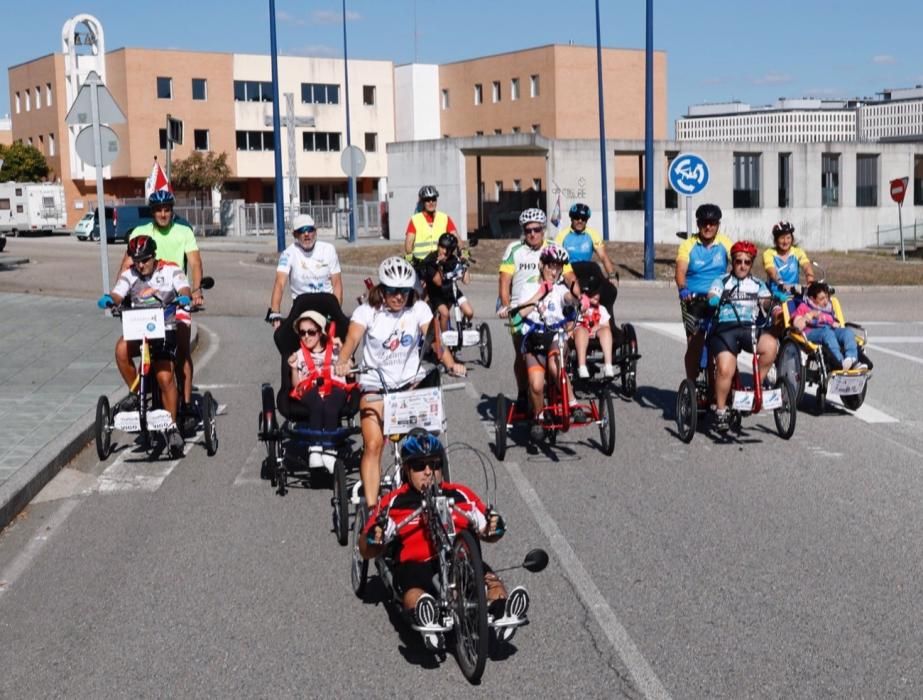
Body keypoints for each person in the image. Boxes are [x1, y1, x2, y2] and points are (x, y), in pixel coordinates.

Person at [360, 430, 530, 650]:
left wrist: (494, 528)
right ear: (407, 470)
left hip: (461, 562)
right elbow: (365, 547)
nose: (429, 472)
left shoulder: (460, 493)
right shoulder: (395, 502)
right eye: (420, 466)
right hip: (415, 566)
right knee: (415, 591)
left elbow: (486, 529)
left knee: (492, 582)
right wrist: (374, 539)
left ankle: (503, 610)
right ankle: (426, 614)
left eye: (435, 464)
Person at [335, 256, 465, 507]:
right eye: (393, 291)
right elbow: (351, 340)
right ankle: (373, 510)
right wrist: (343, 360)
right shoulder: (367, 312)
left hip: (410, 386)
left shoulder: (419, 309)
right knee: (373, 445)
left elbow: (436, 341)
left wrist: (450, 363)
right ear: (382, 290)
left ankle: (430, 497)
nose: (399, 297)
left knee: (426, 444)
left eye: (405, 291)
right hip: (376, 387)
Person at [119, 188, 204, 435]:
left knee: (181, 350)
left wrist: (195, 291)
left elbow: (196, 263)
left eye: (167, 209)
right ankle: (138, 395)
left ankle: (186, 405)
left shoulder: (183, 231)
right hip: (145, 307)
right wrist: (120, 296)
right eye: (158, 210)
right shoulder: (140, 232)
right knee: (125, 349)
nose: (163, 214)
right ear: (152, 211)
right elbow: (125, 266)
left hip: (175, 301)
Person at [99, 235, 190, 457]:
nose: (140, 265)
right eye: (137, 260)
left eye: (145, 260)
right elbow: (118, 292)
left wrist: (185, 298)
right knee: (121, 350)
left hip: (163, 328)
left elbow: (184, 287)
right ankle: (138, 390)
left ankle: (172, 427)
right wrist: (111, 300)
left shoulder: (170, 269)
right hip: (137, 328)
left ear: (154, 256)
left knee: (165, 378)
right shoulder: (130, 274)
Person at [501, 244, 586, 442]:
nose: (554, 272)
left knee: (556, 367)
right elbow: (521, 312)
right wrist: (541, 292)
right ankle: (538, 417)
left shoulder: (559, 289)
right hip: (533, 338)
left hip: (555, 338)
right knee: (536, 386)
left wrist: (577, 297)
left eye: (558, 268)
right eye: (550, 267)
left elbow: (569, 298)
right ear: (541, 265)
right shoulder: (529, 288)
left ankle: (573, 404)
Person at [497, 208, 579, 409]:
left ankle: (559, 391)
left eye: (536, 229)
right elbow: (504, 281)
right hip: (522, 306)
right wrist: (507, 306)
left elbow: (569, 276)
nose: (532, 234)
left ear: (543, 230)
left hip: (551, 306)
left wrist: (578, 295)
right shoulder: (514, 250)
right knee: (521, 354)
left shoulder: (553, 249)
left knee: (559, 353)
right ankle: (524, 392)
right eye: (528, 230)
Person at [707, 240, 776, 432]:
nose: (742, 266)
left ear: (751, 263)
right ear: (732, 262)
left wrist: (772, 305)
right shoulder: (721, 281)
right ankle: (721, 409)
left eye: (747, 262)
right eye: (738, 261)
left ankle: (755, 390)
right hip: (724, 329)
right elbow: (712, 295)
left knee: (771, 346)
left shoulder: (757, 284)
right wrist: (714, 299)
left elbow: (766, 301)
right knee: (725, 369)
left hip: (749, 328)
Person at [675, 203, 733, 381]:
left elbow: (739, 261)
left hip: (719, 296)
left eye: (712, 223)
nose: (708, 227)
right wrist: (683, 289)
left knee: (724, 339)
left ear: (718, 225)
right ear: (698, 224)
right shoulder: (688, 245)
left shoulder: (725, 242)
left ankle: (718, 383)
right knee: (695, 343)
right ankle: (691, 384)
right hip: (694, 298)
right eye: (704, 223)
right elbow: (680, 271)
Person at [287, 310, 352, 468]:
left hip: (335, 387)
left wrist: (343, 348)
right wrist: (294, 368)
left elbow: (350, 370)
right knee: (316, 401)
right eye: (302, 333)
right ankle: (315, 448)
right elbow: (297, 386)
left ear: (321, 332)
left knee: (331, 405)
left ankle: (329, 449)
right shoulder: (299, 355)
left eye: (311, 332)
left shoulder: (337, 350)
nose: (306, 337)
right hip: (310, 388)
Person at [267, 213, 343, 329]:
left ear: (315, 231)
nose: (307, 234)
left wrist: (335, 312)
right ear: (295, 234)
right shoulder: (288, 254)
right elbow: (280, 283)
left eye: (310, 230)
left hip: (326, 306)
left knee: (346, 335)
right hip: (301, 308)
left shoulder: (328, 250)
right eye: (302, 231)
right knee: (281, 339)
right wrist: (275, 312)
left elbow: (337, 283)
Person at [554, 202, 618, 327]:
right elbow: (556, 259)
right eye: (576, 217)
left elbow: (603, 256)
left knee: (608, 290)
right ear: (571, 218)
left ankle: (609, 325)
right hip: (569, 271)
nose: (580, 221)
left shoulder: (592, 234)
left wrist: (611, 275)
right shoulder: (563, 235)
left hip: (588, 272)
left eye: (583, 219)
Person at [791, 281, 867, 371]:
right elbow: (797, 326)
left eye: (827, 297)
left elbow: (834, 322)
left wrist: (835, 324)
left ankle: (852, 359)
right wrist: (810, 315)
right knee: (827, 333)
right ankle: (839, 361)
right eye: (822, 298)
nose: (826, 301)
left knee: (847, 332)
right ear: (812, 298)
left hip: (829, 330)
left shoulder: (828, 308)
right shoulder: (804, 307)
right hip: (810, 332)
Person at [420, 232, 473, 331]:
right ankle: (445, 340)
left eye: (448, 250)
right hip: (436, 293)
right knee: (445, 313)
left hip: (451, 290)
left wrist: (464, 263)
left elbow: (466, 281)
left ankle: (461, 328)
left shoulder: (453, 260)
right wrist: (440, 265)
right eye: (442, 247)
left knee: (469, 313)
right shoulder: (431, 260)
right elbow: (438, 282)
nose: (444, 251)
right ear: (438, 245)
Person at [404, 185, 460, 270]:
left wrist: (464, 251)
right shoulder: (415, 219)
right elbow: (409, 243)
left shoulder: (444, 218)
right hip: (421, 264)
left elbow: (456, 237)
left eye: (433, 199)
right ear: (423, 202)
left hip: (440, 262)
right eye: (427, 200)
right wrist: (411, 259)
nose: (431, 202)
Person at [573, 276, 615, 380]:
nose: (596, 295)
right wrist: (581, 310)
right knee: (581, 331)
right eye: (592, 293)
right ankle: (582, 366)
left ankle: (608, 365)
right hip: (581, 332)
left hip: (596, 332)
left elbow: (606, 325)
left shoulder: (601, 309)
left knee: (606, 331)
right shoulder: (578, 308)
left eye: (598, 293)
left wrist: (598, 327)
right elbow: (571, 324)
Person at [762, 221, 814, 298]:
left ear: (792, 239)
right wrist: (780, 282)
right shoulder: (769, 253)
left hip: (794, 292)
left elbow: (806, 266)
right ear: (776, 240)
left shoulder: (798, 251)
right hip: (776, 294)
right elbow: (770, 270)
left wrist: (810, 280)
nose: (785, 241)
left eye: (788, 237)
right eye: (782, 238)